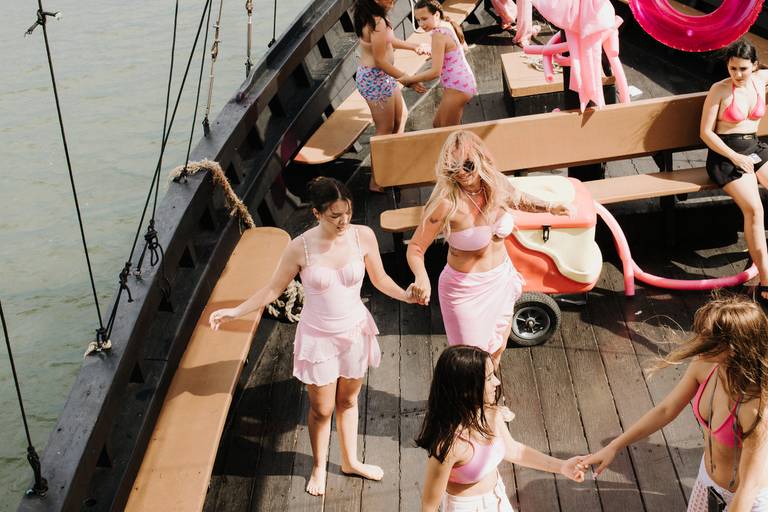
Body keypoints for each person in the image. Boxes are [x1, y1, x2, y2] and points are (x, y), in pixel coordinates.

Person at [209, 177, 418, 496]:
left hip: (354, 331)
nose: (343, 221)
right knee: (321, 409)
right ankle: (319, 466)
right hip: (319, 339)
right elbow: (272, 289)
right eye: (335, 215)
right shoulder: (300, 247)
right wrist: (235, 311)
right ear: (317, 213)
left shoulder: (362, 236)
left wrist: (406, 295)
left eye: (347, 212)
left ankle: (351, 461)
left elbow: (380, 279)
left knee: (348, 400)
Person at [582, 294, 768, 511]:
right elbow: (665, 410)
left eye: (707, 337)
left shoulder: (755, 407)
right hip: (707, 483)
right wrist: (614, 447)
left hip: (747, 501)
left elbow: (748, 486)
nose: (698, 341)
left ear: (734, 347)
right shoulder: (705, 365)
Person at [406, 130, 572, 366]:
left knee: (497, 349)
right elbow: (415, 247)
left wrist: (550, 207)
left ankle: (489, 389)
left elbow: (520, 199)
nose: (461, 173)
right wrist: (421, 277)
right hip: (465, 291)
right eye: (453, 168)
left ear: (480, 159)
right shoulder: (446, 202)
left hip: (501, 280)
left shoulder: (495, 184)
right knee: (472, 361)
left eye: (467, 165)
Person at [416, 345, 586, 511]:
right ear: (467, 388)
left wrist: (562, 466)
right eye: (489, 378)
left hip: (498, 497)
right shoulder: (449, 446)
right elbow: (429, 506)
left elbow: (514, 451)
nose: (497, 382)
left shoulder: (491, 413)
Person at [700, 39, 768, 303]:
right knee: (755, 210)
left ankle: (761, 254)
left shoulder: (761, 79)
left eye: (743, 69)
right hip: (726, 156)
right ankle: (766, 283)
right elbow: (705, 133)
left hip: (755, 148)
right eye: (732, 68)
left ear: (755, 66)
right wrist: (735, 157)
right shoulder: (719, 90)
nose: (738, 74)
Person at [353, 0, 428, 190]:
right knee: (384, 129)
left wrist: (414, 46)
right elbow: (380, 61)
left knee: (401, 117)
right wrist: (408, 80)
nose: (394, 1)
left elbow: (389, 41)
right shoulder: (376, 22)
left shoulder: (377, 17)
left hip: (383, 76)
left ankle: (393, 163)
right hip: (375, 79)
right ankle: (377, 180)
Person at [399, 1, 478, 127]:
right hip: (462, 83)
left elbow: (435, 72)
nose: (421, 24)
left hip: (458, 87)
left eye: (424, 19)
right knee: (437, 125)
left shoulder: (438, 35)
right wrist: (434, 51)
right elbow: (461, 49)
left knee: (447, 130)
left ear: (436, 15)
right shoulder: (447, 24)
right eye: (418, 20)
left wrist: (409, 79)